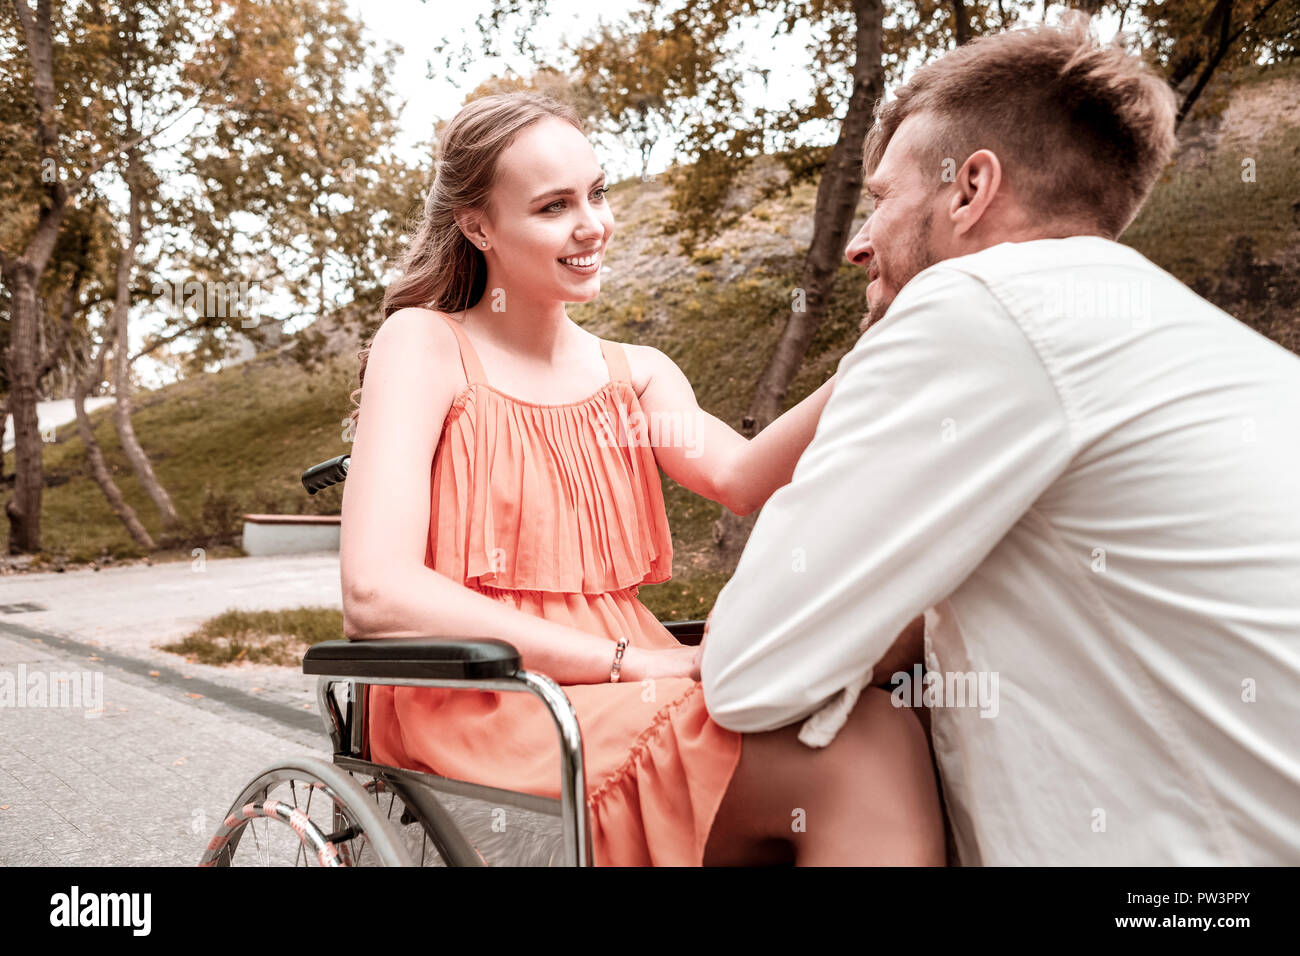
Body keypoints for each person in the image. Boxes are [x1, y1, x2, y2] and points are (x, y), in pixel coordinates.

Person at [700, 12, 1300, 865]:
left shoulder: (981, 302)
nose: (858, 247)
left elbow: (752, 671)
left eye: (879, 201)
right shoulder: (1189, 339)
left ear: (970, 188)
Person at [339, 92, 945, 866]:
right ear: (478, 225)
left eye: (597, 192)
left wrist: (882, 352)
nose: (592, 224)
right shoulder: (424, 344)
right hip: (490, 694)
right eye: (555, 206)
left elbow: (742, 476)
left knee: (876, 713)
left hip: (637, 677)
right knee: (851, 747)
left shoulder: (636, 375)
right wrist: (630, 662)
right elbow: (376, 593)